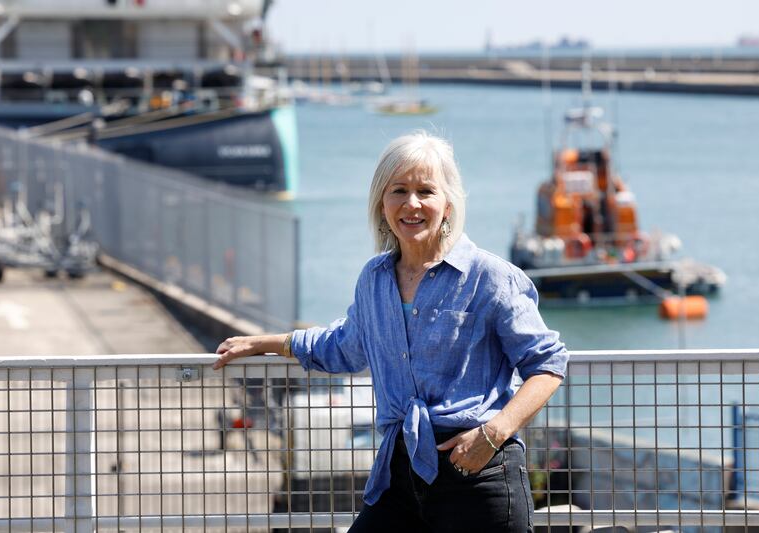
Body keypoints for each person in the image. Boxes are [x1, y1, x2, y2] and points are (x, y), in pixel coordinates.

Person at [213, 131, 569, 532]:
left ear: (447, 203)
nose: (412, 204)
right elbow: (344, 345)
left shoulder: (490, 278)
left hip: (478, 469)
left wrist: (494, 432)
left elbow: (548, 364)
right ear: (382, 204)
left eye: (426, 191)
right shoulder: (375, 278)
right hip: (400, 468)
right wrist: (265, 343)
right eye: (398, 190)